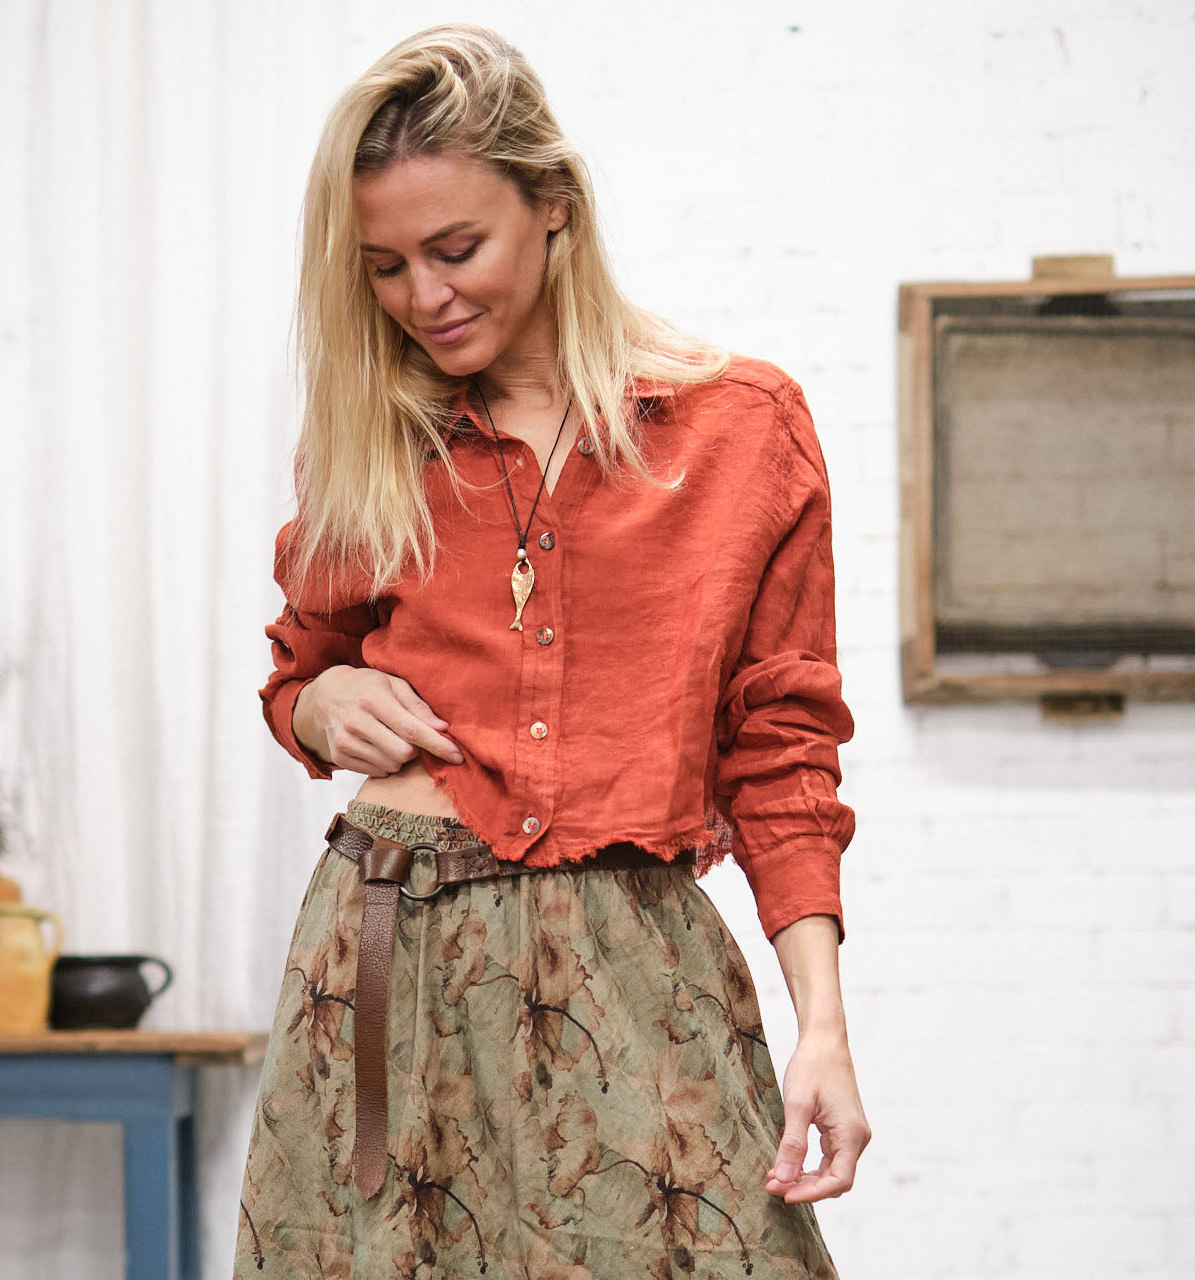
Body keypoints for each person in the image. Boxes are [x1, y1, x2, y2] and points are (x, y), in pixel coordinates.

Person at [233, 22, 869, 1280]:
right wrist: (321, 702)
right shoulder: (373, 438)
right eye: (383, 266)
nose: (425, 296)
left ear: (555, 204)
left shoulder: (741, 428)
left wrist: (824, 1029)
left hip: (632, 945)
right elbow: (297, 669)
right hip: (391, 943)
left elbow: (782, 747)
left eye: (455, 248)